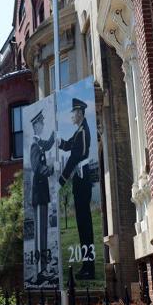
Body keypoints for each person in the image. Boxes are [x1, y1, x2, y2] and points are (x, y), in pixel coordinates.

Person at [58, 98, 95, 280]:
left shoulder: (82, 132)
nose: (72, 115)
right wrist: (56, 140)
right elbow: (67, 145)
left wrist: (61, 180)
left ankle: (89, 268)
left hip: (82, 177)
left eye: (74, 113)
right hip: (80, 179)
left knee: (84, 223)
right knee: (82, 223)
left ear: (80, 113)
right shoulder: (79, 131)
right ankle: (87, 266)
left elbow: (73, 158)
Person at [29, 110, 55, 284]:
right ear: (36, 125)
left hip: (43, 194)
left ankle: (43, 268)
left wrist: (55, 133)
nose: (43, 126)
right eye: (42, 123)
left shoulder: (40, 144)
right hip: (39, 194)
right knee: (40, 233)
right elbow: (37, 167)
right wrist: (51, 169)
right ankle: (40, 270)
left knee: (43, 232)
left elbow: (48, 144)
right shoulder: (34, 146)